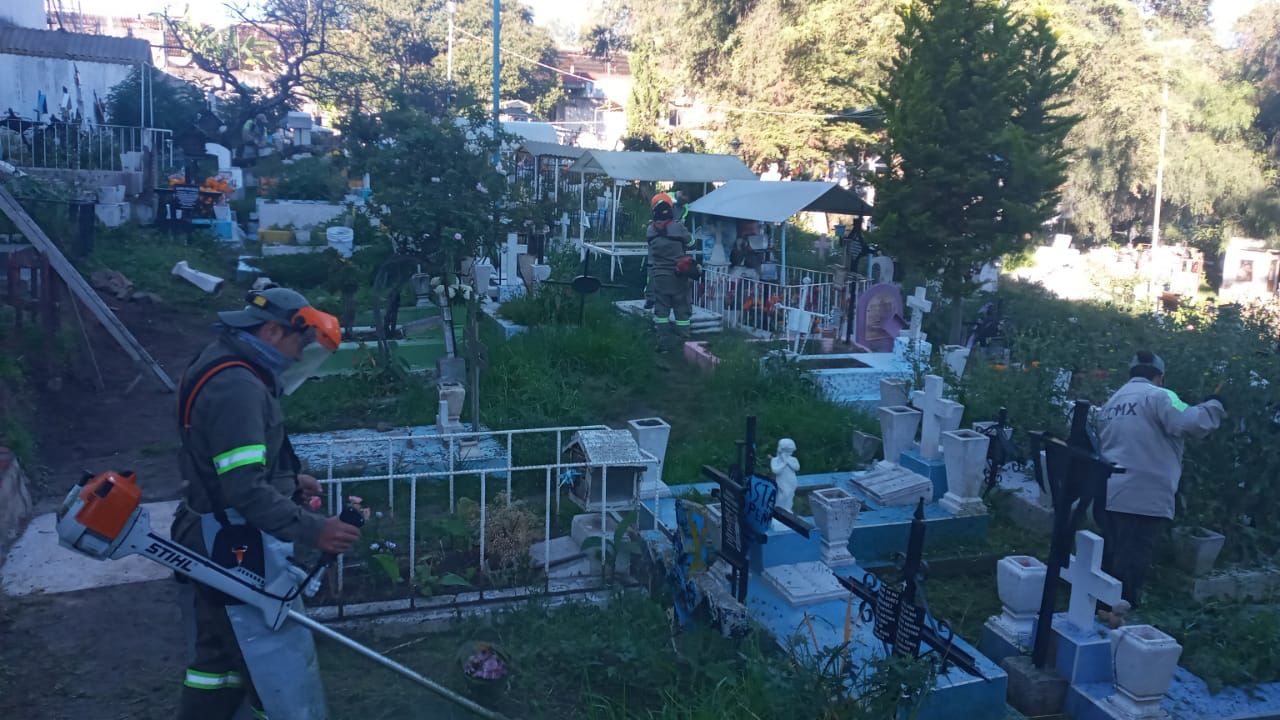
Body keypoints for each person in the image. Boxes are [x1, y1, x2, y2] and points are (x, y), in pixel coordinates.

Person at [171, 287, 358, 719]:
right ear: (273, 330)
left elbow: (225, 461)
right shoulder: (238, 388)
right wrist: (317, 529)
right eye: (299, 343)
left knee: (218, 654)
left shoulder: (224, 359)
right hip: (230, 540)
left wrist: (288, 479)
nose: (298, 357)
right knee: (271, 657)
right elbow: (244, 489)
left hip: (210, 527)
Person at [1097, 350, 1225, 608]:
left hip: (1109, 492)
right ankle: (1119, 617)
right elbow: (1192, 421)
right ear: (1160, 377)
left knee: (1109, 558)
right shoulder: (1162, 395)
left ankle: (1099, 610)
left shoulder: (1111, 403)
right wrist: (1214, 405)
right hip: (1143, 495)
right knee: (1131, 561)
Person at [646, 193, 694, 353]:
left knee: (662, 313)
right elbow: (691, 241)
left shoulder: (650, 230)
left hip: (659, 277)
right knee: (682, 312)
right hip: (679, 276)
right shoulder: (678, 227)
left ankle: (663, 345)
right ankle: (684, 345)